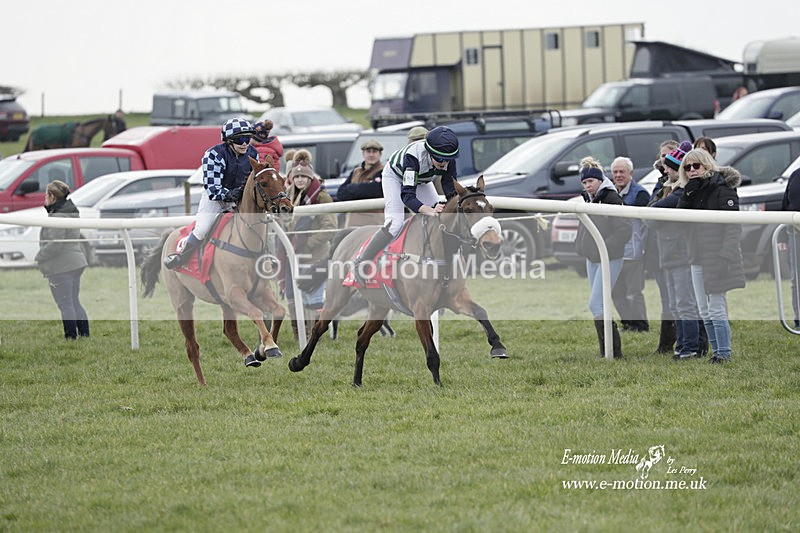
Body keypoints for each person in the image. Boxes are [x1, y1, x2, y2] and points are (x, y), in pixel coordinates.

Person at [351, 126, 460, 283]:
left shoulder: (447, 157)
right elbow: (408, 196)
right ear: (429, 153)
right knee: (395, 223)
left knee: (441, 218)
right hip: (396, 176)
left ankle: (439, 263)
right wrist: (428, 210)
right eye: (439, 159)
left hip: (423, 179)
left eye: (447, 160)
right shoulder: (413, 157)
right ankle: (361, 263)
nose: (443, 163)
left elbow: (450, 187)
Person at [677, 148, 746, 364]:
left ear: (707, 165)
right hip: (697, 256)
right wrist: (688, 193)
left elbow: (733, 227)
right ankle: (716, 352)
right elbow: (680, 219)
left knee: (716, 307)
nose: (691, 171)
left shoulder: (723, 189)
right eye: (687, 167)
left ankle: (723, 354)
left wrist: (725, 256)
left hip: (717, 256)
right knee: (704, 309)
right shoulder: (691, 190)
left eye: (696, 166)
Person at [164, 117, 258, 269]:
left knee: (257, 223)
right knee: (202, 229)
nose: (245, 144)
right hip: (215, 199)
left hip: (239, 199)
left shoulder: (253, 154)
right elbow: (213, 188)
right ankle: (183, 258)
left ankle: (267, 256)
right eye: (240, 139)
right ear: (229, 141)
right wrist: (230, 195)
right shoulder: (214, 154)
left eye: (248, 139)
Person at [651, 142, 706, 360]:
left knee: (685, 304)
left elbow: (652, 212)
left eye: (669, 167)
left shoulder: (680, 192)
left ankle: (689, 347)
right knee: (676, 305)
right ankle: (683, 346)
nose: (665, 170)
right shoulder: (668, 188)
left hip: (679, 253)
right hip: (669, 252)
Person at [574, 157, 631, 358]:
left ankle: (613, 351)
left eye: (590, 181)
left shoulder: (612, 199)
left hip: (609, 258)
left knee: (596, 304)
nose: (587, 186)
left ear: (599, 180)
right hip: (593, 258)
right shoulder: (589, 199)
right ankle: (607, 351)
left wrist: (603, 248)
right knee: (601, 304)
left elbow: (625, 230)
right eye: (584, 183)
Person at [281, 158, 338, 339]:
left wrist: (307, 244)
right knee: (294, 295)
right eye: (296, 176)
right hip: (293, 253)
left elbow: (330, 228)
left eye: (303, 176)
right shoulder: (288, 195)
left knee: (313, 297)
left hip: (315, 255)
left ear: (309, 178)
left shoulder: (321, 196)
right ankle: (301, 334)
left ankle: (316, 335)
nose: (299, 180)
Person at [35, 180, 90, 340]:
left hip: (62, 266)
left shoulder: (58, 216)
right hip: (75, 262)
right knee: (74, 301)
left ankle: (71, 338)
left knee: (66, 304)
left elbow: (55, 245)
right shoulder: (70, 210)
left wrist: (39, 257)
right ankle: (84, 335)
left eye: (46, 194)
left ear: (52, 197)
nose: (44, 198)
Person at [645, 140, 679, 353]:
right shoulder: (661, 182)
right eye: (661, 156)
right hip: (658, 247)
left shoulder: (677, 185)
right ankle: (667, 343)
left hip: (673, 247)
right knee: (667, 299)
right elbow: (649, 210)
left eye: (668, 156)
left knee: (675, 299)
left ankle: (674, 344)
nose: (663, 161)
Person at [610, 156, 650, 332]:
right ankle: (627, 323)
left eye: (622, 172)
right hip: (615, 252)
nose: (618, 175)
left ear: (631, 173)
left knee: (633, 292)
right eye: (615, 172)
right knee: (616, 293)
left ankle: (641, 325)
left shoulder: (640, 193)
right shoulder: (611, 193)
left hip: (633, 252)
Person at [336, 139, 385, 227]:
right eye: (368, 151)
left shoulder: (383, 171)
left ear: (380, 154)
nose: (371, 154)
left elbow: (376, 190)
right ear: (363, 154)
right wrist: (362, 190)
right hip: (352, 223)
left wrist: (351, 188)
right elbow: (340, 193)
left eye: (374, 151)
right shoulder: (356, 172)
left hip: (374, 224)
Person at [781, 167, 800, 328]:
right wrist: (781, 237)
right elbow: (785, 205)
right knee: (797, 278)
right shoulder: (795, 174)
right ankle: (798, 318)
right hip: (794, 232)